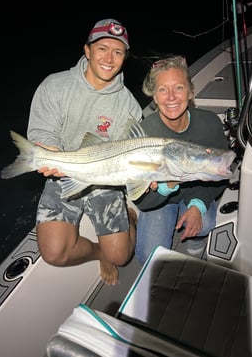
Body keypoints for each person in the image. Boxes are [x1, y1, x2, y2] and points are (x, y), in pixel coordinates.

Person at [27, 18, 142, 285]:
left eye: (118, 52)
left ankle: (130, 215)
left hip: (104, 178)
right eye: (102, 48)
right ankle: (98, 251)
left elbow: (129, 153)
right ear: (87, 50)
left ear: (125, 57)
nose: (109, 58)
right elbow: (43, 133)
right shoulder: (55, 86)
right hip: (64, 170)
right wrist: (49, 152)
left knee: (121, 256)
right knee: (54, 252)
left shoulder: (129, 106)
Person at [134, 55, 230, 265]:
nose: (171, 97)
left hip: (196, 189)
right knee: (148, 256)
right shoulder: (144, 134)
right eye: (162, 90)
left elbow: (222, 173)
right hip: (159, 201)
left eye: (178, 88)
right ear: (155, 97)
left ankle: (195, 238)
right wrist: (165, 186)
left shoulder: (209, 123)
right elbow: (141, 200)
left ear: (190, 92)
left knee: (204, 223)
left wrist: (197, 205)